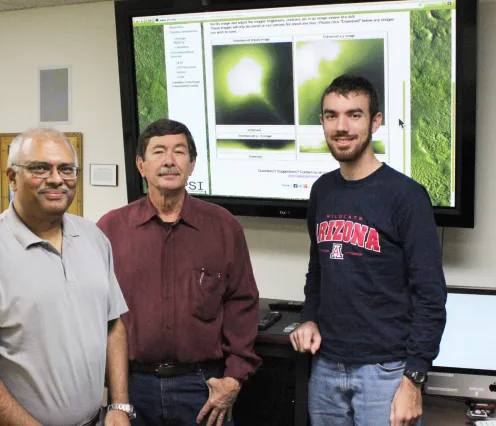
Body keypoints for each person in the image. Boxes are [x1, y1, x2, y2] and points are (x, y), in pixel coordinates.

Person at [0, 128, 133, 426]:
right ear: (11, 177)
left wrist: (119, 404)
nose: (56, 179)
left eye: (67, 169)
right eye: (40, 167)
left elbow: (113, 324)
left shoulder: (94, 238)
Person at [290, 75, 447, 426]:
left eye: (354, 115)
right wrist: (309, 318)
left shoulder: (406, 196)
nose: (341, 126)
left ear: (375, 121)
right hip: (326, 368)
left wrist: (414, 378)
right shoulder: (322, 191)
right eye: (331, 115)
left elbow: (431, 295)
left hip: (386, 374)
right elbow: (318, 269)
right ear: (322, 122)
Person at [97, 118, 261, 426]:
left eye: (179, 152)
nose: (169, 161)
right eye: (158, 151)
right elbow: (96, 313)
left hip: (203, 388)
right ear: (141, 164)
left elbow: (242, 303)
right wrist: (115, 396)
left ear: (192, 164)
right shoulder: (111, 229)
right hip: (132, 386)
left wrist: (234, 378)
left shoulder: (223, 228)